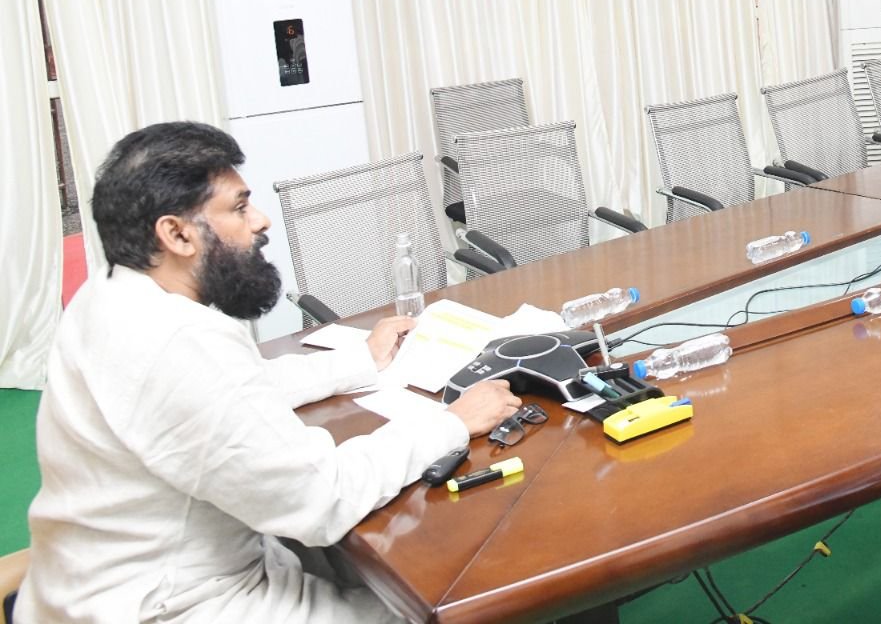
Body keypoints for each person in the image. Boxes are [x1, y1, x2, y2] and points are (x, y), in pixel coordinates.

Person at [16, 122, 524, 623]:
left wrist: (359, 360)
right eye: (238, 207)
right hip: (171, 605)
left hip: (91, 583)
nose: (260, 221)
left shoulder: (111, 296)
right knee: (441, 602)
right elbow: (321, 499)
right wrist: (453, 422)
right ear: (175, 233)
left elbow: (231, 391)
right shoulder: (179, 345)